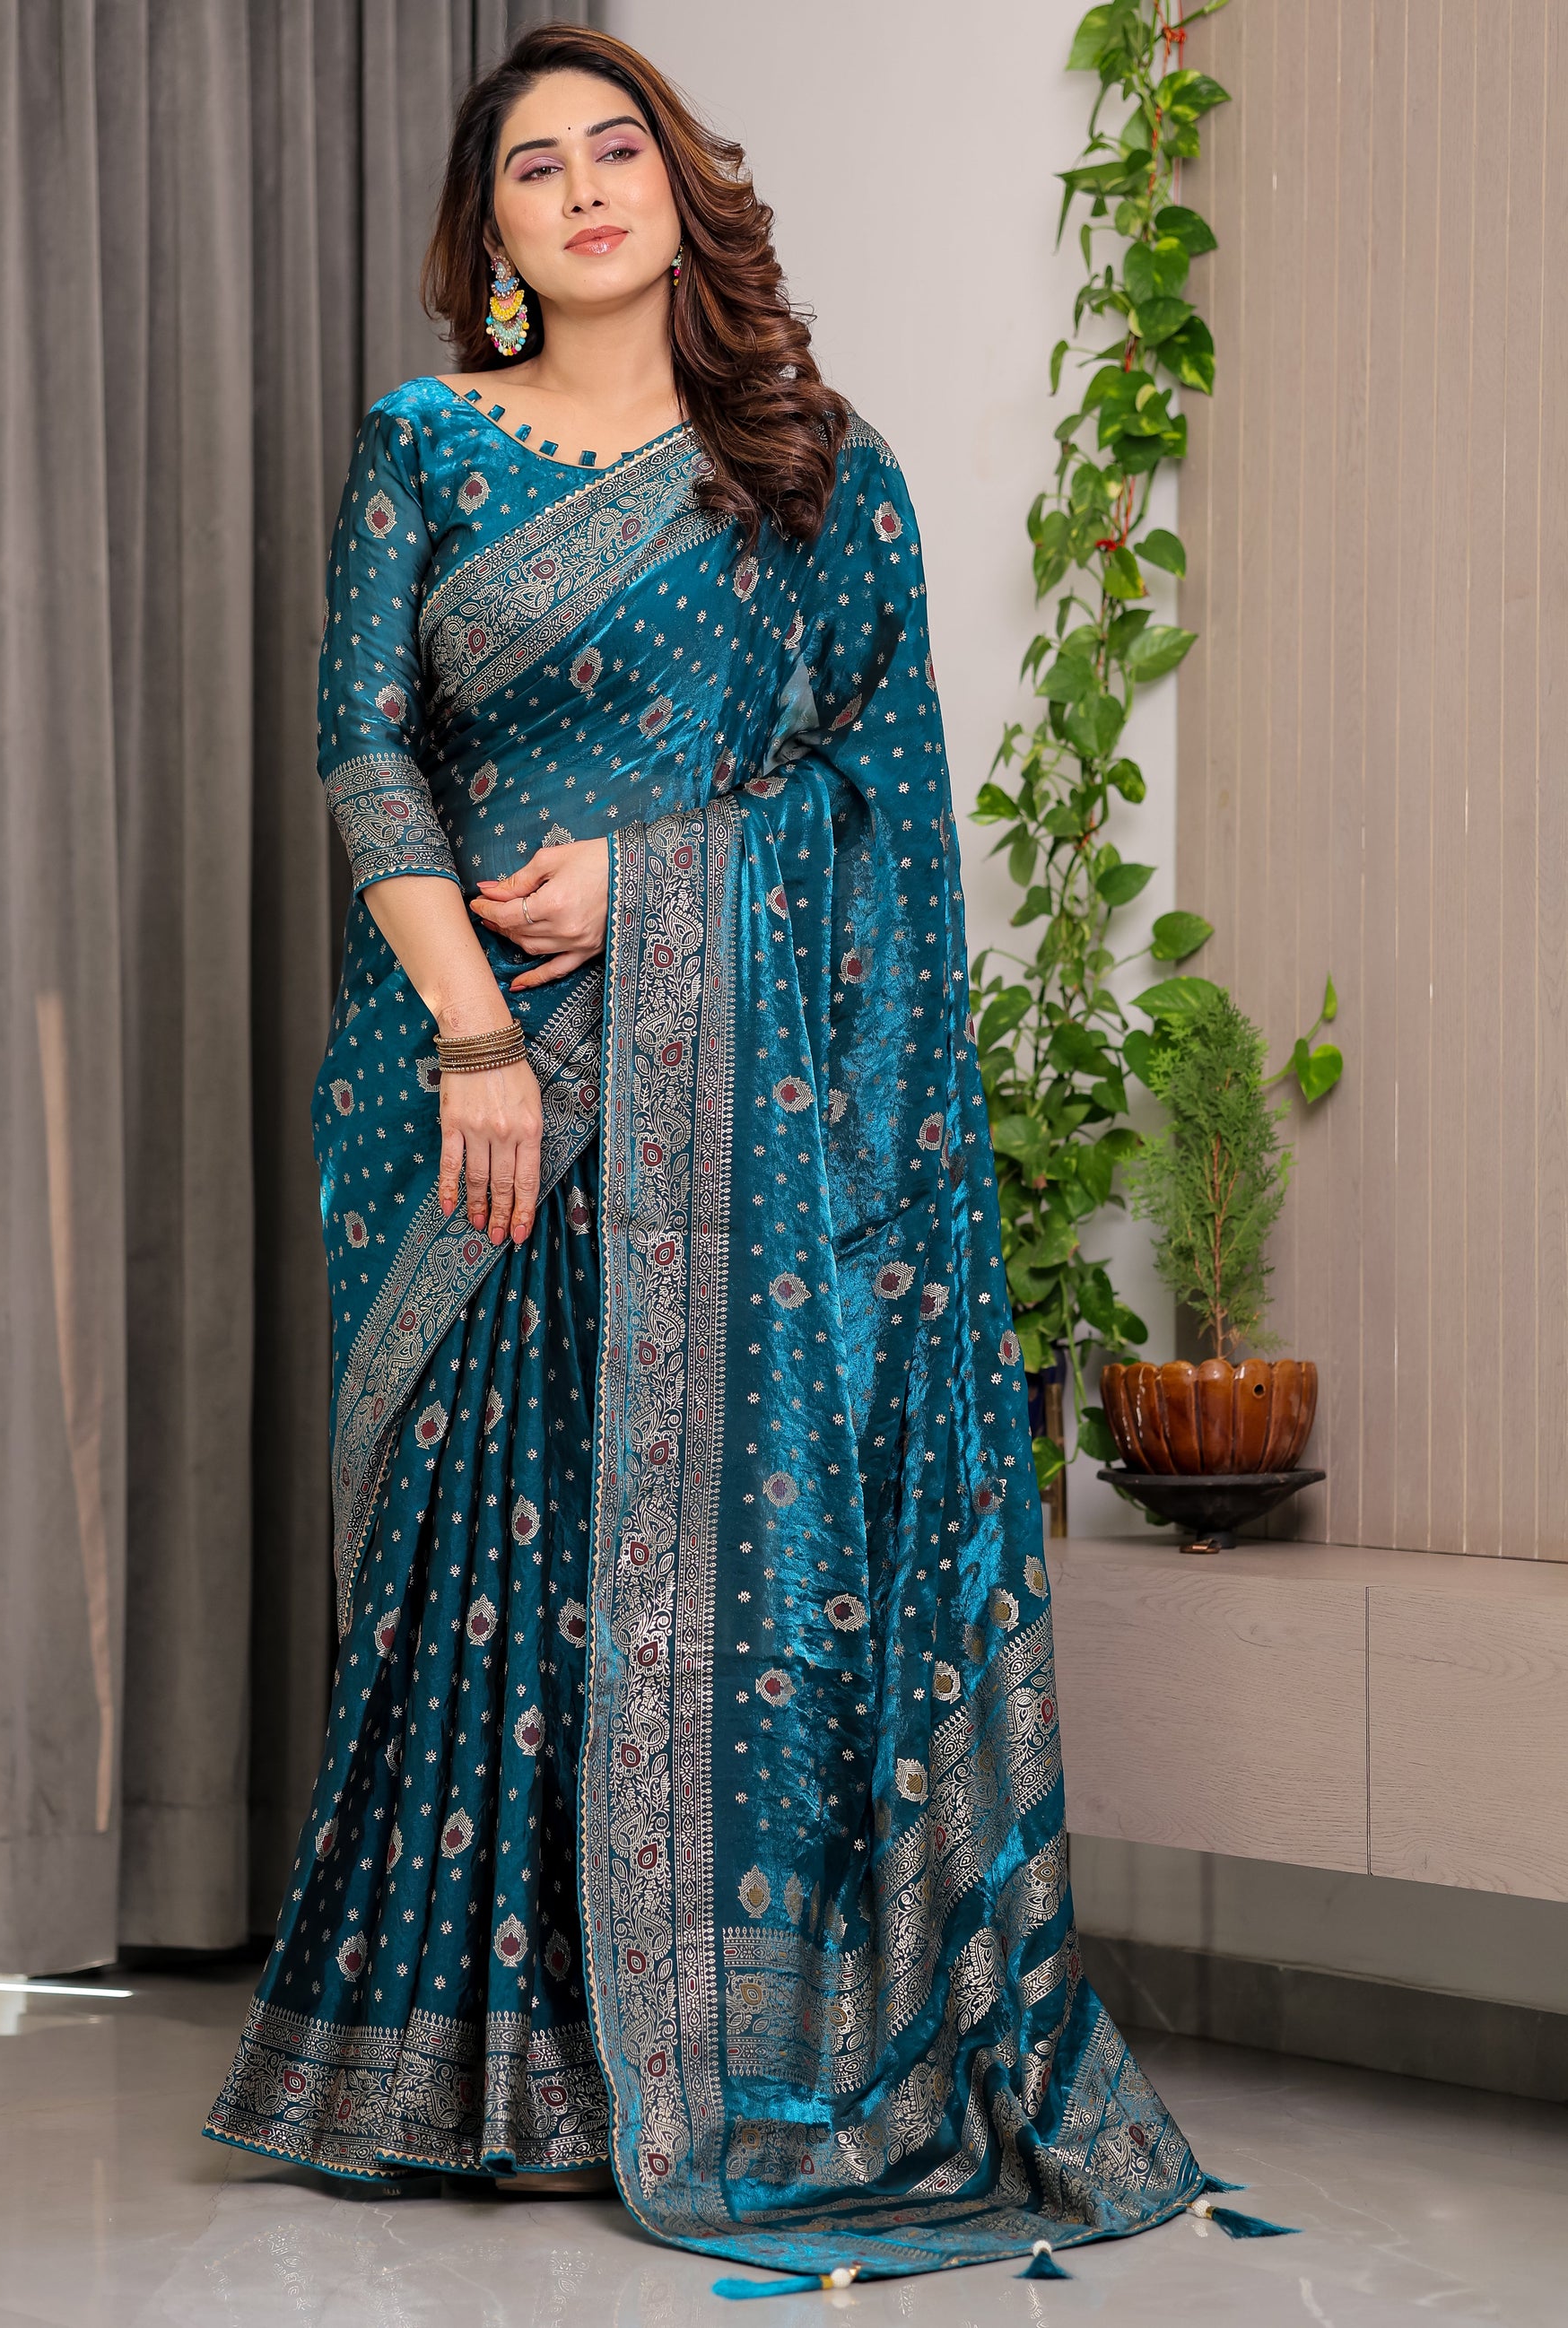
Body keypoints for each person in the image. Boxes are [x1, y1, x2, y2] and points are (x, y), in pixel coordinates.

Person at [205, 21, 1215, 2288]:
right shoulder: (427, 444)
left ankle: (681, 2057)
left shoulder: (815, 473)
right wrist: (475, 1031)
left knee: (685, 1579)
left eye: (617, 149)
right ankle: (469, 2073)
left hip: (723, 1117)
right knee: (478, 1564)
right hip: (467, 1089)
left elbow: (885, 812)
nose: (583, 188)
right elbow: (364, 747)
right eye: (533, 166)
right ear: (487, 233)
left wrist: (656, 885)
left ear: (680, 189)